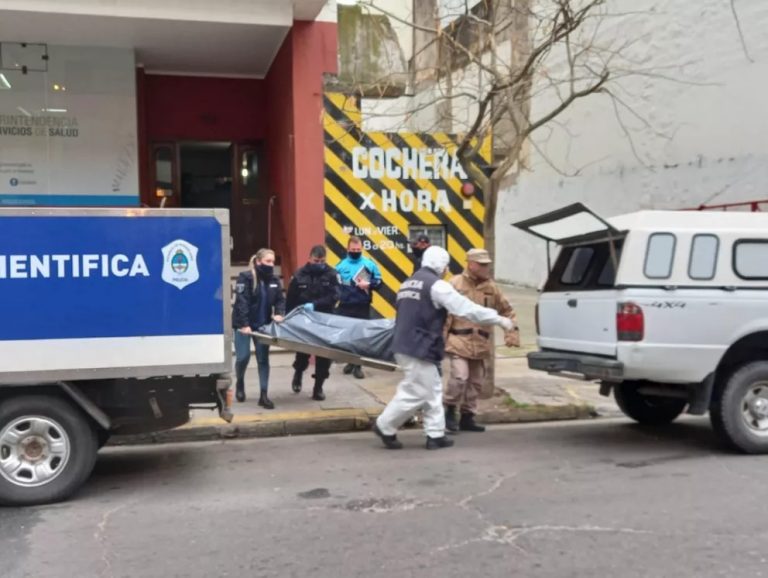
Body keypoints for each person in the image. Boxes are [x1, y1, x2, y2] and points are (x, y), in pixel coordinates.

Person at [373, 246, 516, 450]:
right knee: (416, 392)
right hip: (419, 346)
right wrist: (500, 320)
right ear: (440, 264)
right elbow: (467, 309)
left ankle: (435, 434)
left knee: (429, 389)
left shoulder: (408, 283)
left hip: (404, 344)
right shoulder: (436, 286)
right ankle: (385, 425)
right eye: (446, 265)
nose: (447, 269)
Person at [443, 248, 519, 433]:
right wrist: (440, 340)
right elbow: (444, 314)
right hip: (458, 340)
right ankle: (449, 411)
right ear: (470, 264)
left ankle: (467, 417)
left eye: (488, 264)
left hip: (480, 342)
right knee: (460, 377)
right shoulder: (455, 284)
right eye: (482, 264)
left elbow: (507, 311)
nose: (487, 268)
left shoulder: (491, 288)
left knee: (476, 382)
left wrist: (511, 332)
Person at [232, 248, 286, 409]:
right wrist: (244, 324)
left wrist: (279, 313)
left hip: (262, 325)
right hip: (244, 325)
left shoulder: (275, 280)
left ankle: (263, 395)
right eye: (267, 261)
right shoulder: (246, 277)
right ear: (258, 261)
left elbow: (280, 300)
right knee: (243, 357)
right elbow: (242, 302)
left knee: (263, 359)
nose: (271, 265)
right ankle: (240, 382)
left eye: (273, 262)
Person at [286, 245, 340, 401]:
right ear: (309, 258)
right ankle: (298, 373)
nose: (319, 264)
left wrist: (316, 304)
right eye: (316, 261)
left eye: (322, 261)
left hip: (324, 319)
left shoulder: (331, 274)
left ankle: (318, 387)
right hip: (304, 319)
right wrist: (288, 318)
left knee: (324, 355)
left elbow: (335, 296)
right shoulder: (299, 274)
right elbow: (291, 298)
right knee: (303, 352)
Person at [335, 236, 382, 379]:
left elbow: (379, 282)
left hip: (362, 305)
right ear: (347, 249)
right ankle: (350, 361)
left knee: (360, 336)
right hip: (345, 305)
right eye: (353, 249)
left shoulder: (369, 264)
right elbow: (334, 285)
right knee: (348, 336)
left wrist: (369, 285)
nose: (356, 251)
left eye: (358, 249)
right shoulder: (340, 266)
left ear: (361, 249)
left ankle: (358, 366)